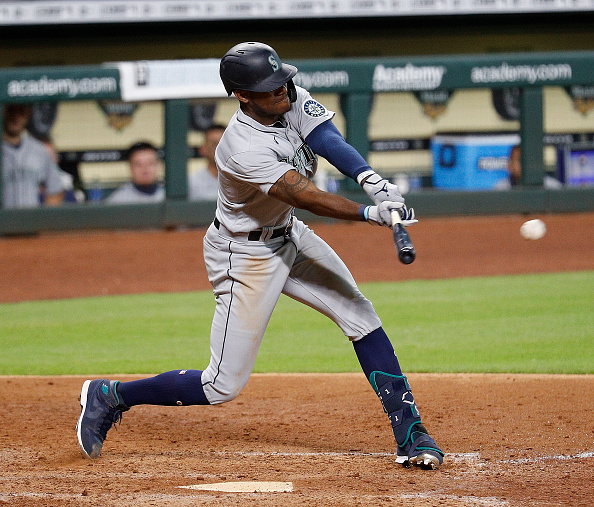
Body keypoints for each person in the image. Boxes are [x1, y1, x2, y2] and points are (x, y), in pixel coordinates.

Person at [76, 42, 444, 470]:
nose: (283, 91)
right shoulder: (240, 147)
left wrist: (370, 179)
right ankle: (112, 395)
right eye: (270, 88)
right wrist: (368, 212)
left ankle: (411, 433)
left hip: (288, 235)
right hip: (243, 255)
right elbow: (301, 194)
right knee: (220, 386)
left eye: (283, 81)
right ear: (242, 95)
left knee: (361, 317)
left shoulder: (288, 96)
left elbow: (325, 137)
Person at [1, 103, 66, 209]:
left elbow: (56, 189)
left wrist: (42, 219)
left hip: (30, 222)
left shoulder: (38, 149)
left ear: (28, 115)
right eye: (11, 111)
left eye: (21, 113)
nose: (15, 117)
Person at [495, 144, 562, 190]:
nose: (524, 165)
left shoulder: (552, 186)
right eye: (519, 160)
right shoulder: (502, 188)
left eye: (527, 161)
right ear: (510, 165)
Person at [188, 123, 225, 201]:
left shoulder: (245, 180)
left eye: (225, 144)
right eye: (214, 145)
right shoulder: (192, 183)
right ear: (203, 149)